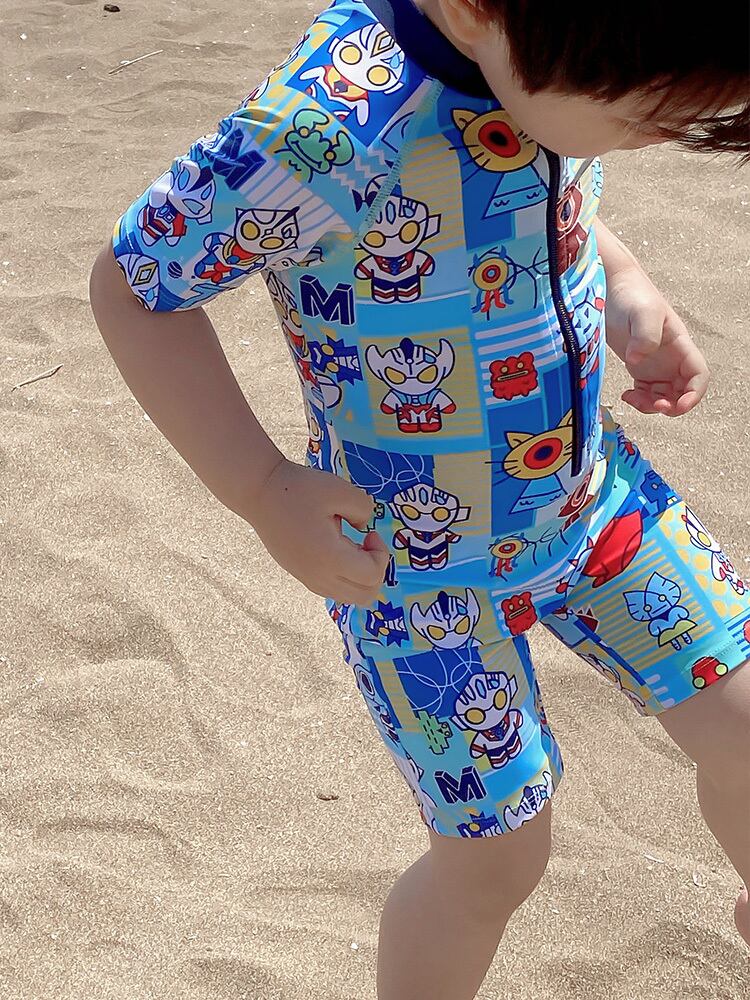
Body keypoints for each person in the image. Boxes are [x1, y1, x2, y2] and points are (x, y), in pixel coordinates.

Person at [89, 1, 750, 996]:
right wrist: (261, 486)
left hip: (589, 498)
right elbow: (135, 286)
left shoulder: (539, 53)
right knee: (497, 859)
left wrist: (620, 279)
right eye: (640, 118)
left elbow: (547, 168)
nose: (658, 138)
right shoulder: (326, 128)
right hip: (415, 570)